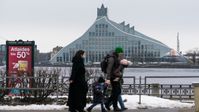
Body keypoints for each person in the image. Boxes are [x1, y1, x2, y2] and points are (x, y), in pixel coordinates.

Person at [105, 47, 124, 111]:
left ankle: (112, 105)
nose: (122, 54)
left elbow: (119, 68)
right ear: (118, 52)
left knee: (116, 92)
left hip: (116, 77)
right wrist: (108, 78)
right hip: (113, 78)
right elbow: (109, 69)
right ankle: (110, 104)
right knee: (117, 91)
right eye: (121, 53)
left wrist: (124, 65)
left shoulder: (117, 58)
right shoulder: (112, 58)